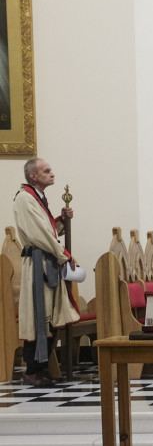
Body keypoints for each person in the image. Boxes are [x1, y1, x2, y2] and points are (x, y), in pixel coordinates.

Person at [13, 158, 78, 386]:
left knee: (49, 318)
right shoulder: (24, 199)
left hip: (47, 263)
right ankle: (32, 370)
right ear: (33, 176)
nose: (52, 174)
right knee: (39, 317)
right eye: (46, 171)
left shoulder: (37, 198)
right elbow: (39, 235)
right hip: (38, 265)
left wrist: (60, 221)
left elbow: (47, 230)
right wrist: (65, 256)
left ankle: (40, 369)